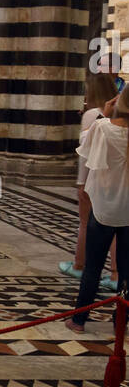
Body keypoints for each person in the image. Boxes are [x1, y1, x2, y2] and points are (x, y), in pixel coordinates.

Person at [67, 85, 129, 331]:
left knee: (92, 266)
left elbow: (85, 146)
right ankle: (121, 321)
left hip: (103, 207)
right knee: (126, 269)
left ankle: (79, 319)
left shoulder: (104, 127)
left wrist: (104, 113)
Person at [60, 73, 119, 288]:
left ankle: (79, 264)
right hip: (111, 180)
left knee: (85, 224)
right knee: (114, 229)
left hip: (90, 178)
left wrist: (81, 182)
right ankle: (115, 274)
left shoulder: (92, 115)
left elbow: (84, 152)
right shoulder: (119, 115)